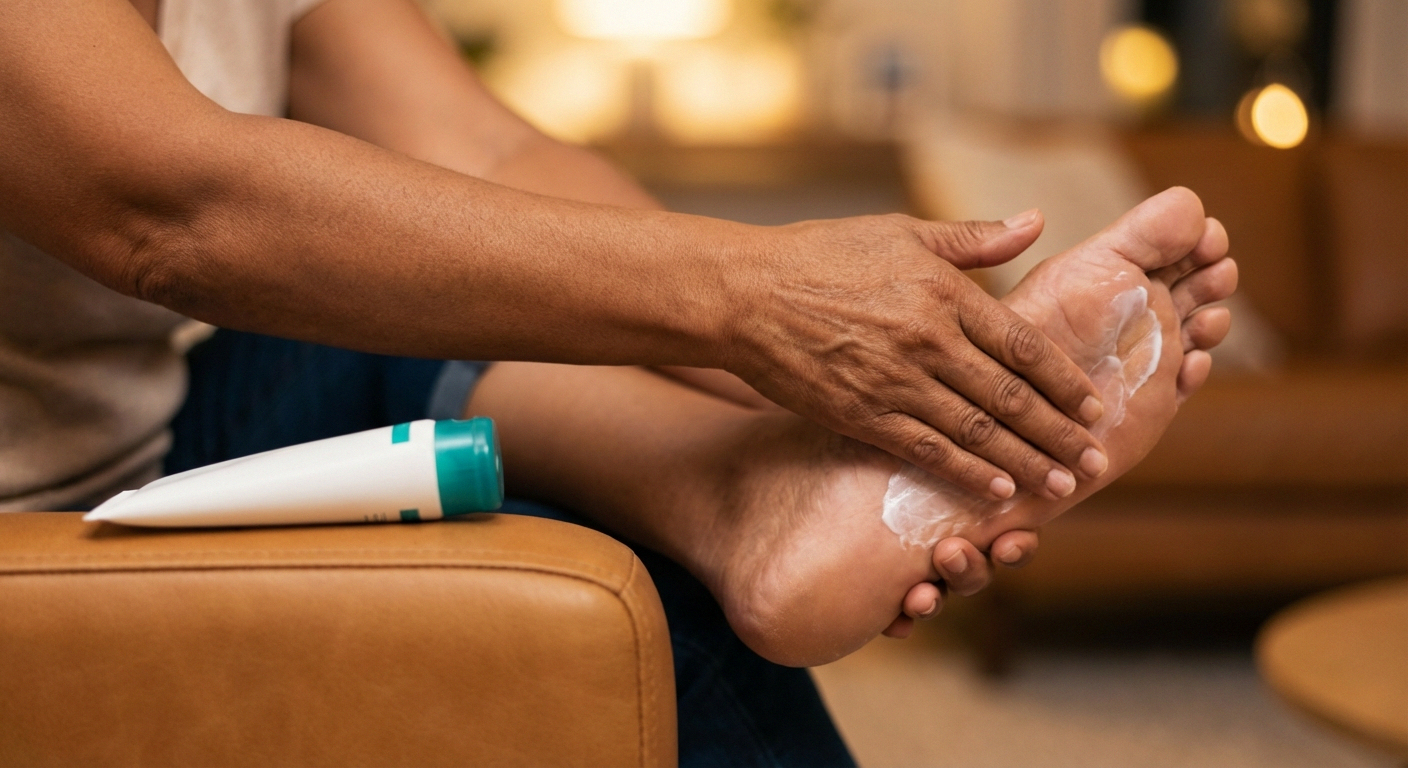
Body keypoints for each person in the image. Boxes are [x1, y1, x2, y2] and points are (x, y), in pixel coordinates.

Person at [0, 0, 1236, 764]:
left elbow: (484, 150)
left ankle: (744, 495)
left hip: (171, 412)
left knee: (626, 563)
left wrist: (812, 390)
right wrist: (762, 298)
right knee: (355, 284)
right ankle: (737, 490)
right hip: (33, 494)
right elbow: (167, 208)